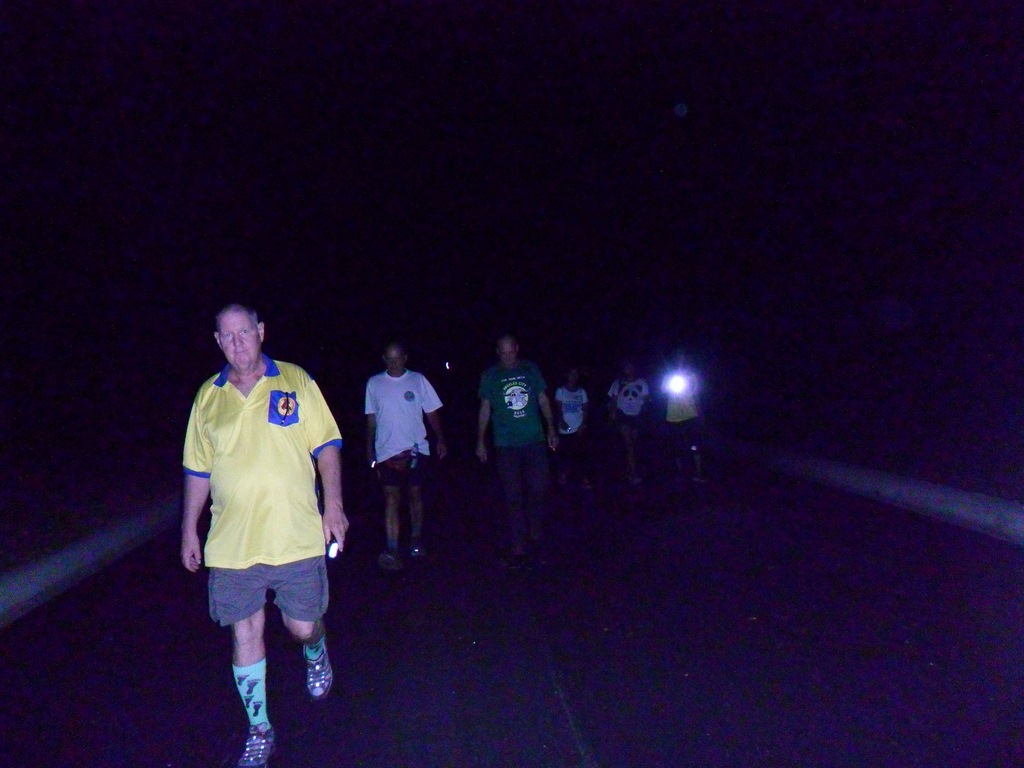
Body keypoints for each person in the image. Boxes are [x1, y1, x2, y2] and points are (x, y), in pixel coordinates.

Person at [181, 303, 348, 768]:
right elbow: (197, 470)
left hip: (295, 534)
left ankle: (315, 648)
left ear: (260, 332)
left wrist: (334, 506)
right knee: (245, 633)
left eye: (244, 333)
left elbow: (327, 446)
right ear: (218, 342)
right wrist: (189, 530)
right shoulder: (208, 397)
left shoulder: (295, 380)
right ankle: (260, 728)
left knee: (301, 626)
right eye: (227, 336)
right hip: (232, 543)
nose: (237, 343)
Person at [476, 335, 559, 567]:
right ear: (497, 352)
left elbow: (543, 399)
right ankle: (518, 543)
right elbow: (485, 408)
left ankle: (535, 525)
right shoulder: (491, 375)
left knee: (539, 486)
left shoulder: (530, 369)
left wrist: (551, 428)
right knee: (512, 494)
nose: (507, 356)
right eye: (503, 353)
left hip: (534, 440)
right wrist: (480, 440)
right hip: (506, 444)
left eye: (510, 352)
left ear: (517, 349)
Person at [365, 342, 447, 570]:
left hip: (415, 449)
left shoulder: (418, 380)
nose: (394, 363)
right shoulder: (374, 383)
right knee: (391, 498)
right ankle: (392, 547)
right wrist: (369, 449)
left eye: (398, 358)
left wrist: (440, 438)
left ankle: (416, 540)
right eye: (389, 358)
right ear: (384, 359)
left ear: (405, 358)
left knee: (415, 494)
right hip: (386, 451)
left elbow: (432, 411)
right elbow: (371, 418)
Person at [662, 351, 706, 482]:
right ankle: (680, 471)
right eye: (677, 358)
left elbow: (697, 395)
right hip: (674, 415)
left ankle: (698, 472)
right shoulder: (668, 376)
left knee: (695, 444)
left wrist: (700, 414)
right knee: (677, 445)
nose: (680, 360)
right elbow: (663, 393)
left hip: (691, 414)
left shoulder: (692, 375)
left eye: (682, 358)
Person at [607, 360, 649, 485]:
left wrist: (645, 414)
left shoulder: (641, 383)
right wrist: (612, 415)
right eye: (626, 367)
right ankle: (633, 473)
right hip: (623, 416)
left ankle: (628, 469)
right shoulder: (617, 383)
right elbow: (613, 400)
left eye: (631, 367)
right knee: (629, 444)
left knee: (632, 446)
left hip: (637, 416)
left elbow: (646, 399)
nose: (628, 369)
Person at [554, 366, 592, 488]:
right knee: (565, 453)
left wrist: (583, 424)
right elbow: (559, 409)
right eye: (571, 374)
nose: (573, 376)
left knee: (581, 454)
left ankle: (583, 477)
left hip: (579, 427)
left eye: (576, 374)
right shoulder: (560, 391)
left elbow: (585, 409)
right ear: (567, 375)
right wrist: (562, 421)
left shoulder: (582, 392)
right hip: (565, 427)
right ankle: (563, 474)